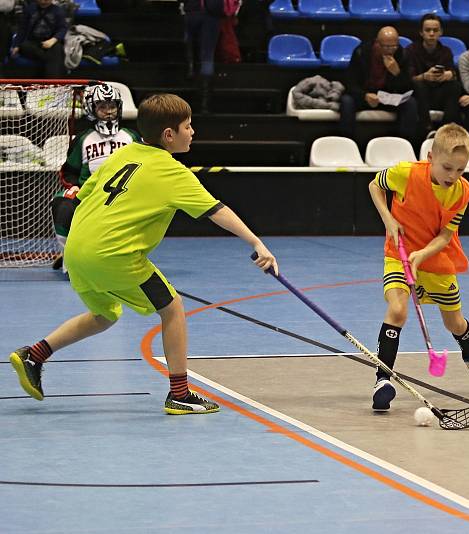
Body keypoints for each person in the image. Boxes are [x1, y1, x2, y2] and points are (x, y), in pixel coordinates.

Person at [9, 93, 278, 415]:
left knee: (104, 315)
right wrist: (257, 243)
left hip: (77, 252)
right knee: (173, 308)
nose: (192, 133)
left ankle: (34, 355)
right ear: (169, 135)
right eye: (188, 127)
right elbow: (216, 211)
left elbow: (85, 193)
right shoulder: (172, 171)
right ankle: (180, 394)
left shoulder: (123, 155)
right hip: (114, 254)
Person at [367, 123, 469, 411]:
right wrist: (388, 219)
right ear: (430, 156)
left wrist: (422, 254)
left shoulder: (462, 192)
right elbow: (375, 185)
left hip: (436, 259)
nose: (453, 176)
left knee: (454, 322)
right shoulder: (406, 173)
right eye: (447, 168)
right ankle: (382, 379)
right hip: (398, 253)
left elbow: (446, 236)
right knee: (397, 309)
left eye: (460, 170)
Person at [51, 83, 141, 273]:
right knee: (62, 203)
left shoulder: (131, 137)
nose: (109, 112)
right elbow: (69, 171)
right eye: (102, 107)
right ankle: (69, 256)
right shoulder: (83, 139)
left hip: (125, 194)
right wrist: (73, 186)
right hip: (89, 194)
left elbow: (144, 166)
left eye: (112, 106)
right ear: (92, 109)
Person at [339, 26, 418, 143]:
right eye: (386, 47)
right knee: (347, 101)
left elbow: (408, 87)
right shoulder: (362, 52)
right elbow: (350, 82)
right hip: (365, 95)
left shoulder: (402, 54)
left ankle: (404, 145)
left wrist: (397, 73)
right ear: (377, 43)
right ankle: (347, 144)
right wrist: (364, 95)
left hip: (388, 97)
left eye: (394, 46)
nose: (390, 50)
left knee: (410, 103)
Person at [405, 13, 460, 136]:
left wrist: (449, 75)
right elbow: (408, 79)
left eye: (435, 30)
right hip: (419, 96)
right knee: (419, 84)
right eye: (428, 30)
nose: (431, 33)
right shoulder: (411, 50)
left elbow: (452, 73)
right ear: (421, 32)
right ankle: (427, 128)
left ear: (441, 32)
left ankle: (446, 129)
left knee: (455, 86)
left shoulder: (446, 51)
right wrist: (424, 76)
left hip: (438, 93)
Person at [180, 0, 224, 112]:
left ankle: (190, 67)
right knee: (207, 55)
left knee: (189, 40)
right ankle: (205, 102)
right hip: (211, 11)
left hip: (191, 10)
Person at [10, 0, 67, 78]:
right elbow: (22, 29)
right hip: (33, 43)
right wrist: (16, 45)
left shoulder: (58, 11)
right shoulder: (30, 10)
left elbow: (62, 29)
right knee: (23, 46)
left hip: (51, 43)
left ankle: (52, 84)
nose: (44, 1)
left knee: (57, 49)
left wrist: (53, 40)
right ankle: (49, 60)